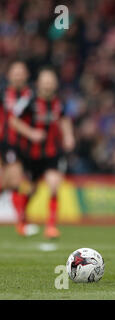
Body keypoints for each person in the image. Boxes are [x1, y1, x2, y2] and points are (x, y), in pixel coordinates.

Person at [10, 67, 75, 239]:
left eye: (51, 81)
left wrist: (68, 136)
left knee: (54, 185)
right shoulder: (29, 100)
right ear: (39, 83)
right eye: (45, 81)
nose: (48, 85)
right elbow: (13, 121)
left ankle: (51, 227)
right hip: (32, 154)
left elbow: (64, 119)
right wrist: (31, 133)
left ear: (54, 84)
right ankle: (22, 220)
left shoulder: (58, 102)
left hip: (53, 152)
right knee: (31, 190)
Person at [0, 61, 38, 236]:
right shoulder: (2, 92)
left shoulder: (32, 95)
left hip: (29, 147)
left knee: (29, 186)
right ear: (9, 75)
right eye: (15, 72)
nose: (18, 75)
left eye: (21, 72)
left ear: (26, 75)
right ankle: (22, 223)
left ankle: (22, 220)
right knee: (14, 182)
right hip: (7, 143)